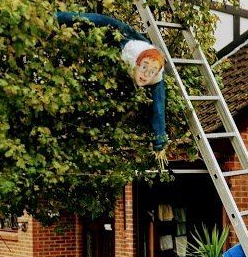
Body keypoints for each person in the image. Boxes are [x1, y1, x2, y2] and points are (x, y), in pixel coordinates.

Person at [55, 11, 167, 158]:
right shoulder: (128, 51)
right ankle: (57, 16)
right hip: (130, 40)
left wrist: (160, 140)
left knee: (157, 98)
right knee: (100, 21)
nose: (145, 75)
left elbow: (158, 108)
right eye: (144, 68)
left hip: (147, 49)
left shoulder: (156, 79)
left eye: (151, 72)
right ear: (137, 64)